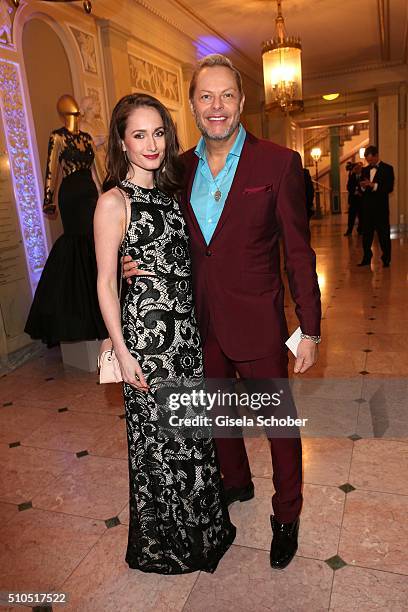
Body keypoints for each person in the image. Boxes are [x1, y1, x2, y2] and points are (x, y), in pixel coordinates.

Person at [123, 54, 321, 570]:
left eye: (226, 95)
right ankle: (235, 483)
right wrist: (131, 263)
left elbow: (298, 252)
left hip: (257, 320)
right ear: (191, 105)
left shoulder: (277, 163)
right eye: (205, 96)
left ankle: (287, 513)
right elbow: (157, 231)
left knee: (278, 426)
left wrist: (311, 329)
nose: (216, 106)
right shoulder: (176, 167)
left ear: (241, 102)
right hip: (197, 320)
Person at [94, 93, 235, 574]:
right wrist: (122, 347)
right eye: (139, 134)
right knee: (160, 443)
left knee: (193, 436)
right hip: (148, 346)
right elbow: (105, 282)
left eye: (158, 132)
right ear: (121, 141)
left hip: (186, 341)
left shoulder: (172, 195)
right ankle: (170, 542)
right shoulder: (115, 201)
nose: (151, 143)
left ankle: (204, 528)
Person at [25, 94, 107, 346]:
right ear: (63, 113)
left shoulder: (86, 139)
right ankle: (80, 313)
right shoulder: (57, 137)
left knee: (95, 242)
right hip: (71, 194)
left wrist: (109, 195)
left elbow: (99, 171)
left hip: (89, 193)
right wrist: (48, 198)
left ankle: (102, 309)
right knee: (77, 244)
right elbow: (51, 169)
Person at [358, 145, 394, 267]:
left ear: (377, 156)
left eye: (371, 159)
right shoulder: (365, 170)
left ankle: (386, 258)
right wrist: (363, 186)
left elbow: (389, 188)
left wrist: (373, 185)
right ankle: (367, 257)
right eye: (368, 160)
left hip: (381, 209)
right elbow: (361, 190)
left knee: (384, 235)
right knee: (366, 235)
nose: (369, 162)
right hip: (367, 209)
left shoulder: (388, 169)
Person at [344, 161, 363, 236]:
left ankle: (360, 230)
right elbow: (348, 187)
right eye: (356, 169)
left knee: (361, 216)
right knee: (351, 216)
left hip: (361, 200)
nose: (357, 170)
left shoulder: (364, 176)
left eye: (358, 168)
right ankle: (349, 231)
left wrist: (360, 192)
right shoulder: (352, 176)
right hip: (353, 200)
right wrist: (354, 191)